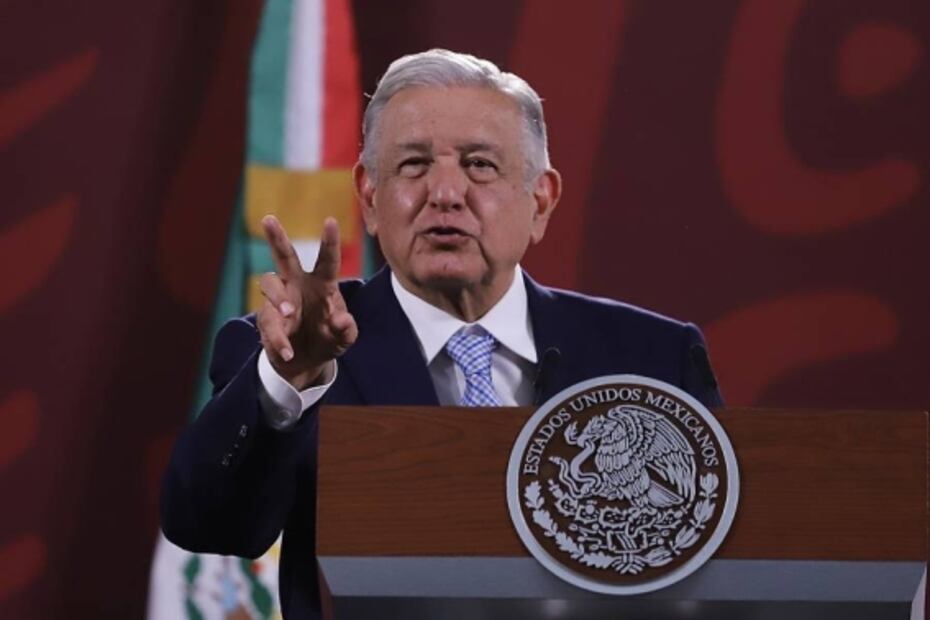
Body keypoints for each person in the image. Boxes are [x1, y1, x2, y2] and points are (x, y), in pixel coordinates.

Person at [161, 48, 722, 619]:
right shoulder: (293, 352)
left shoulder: (653, 359)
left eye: (480, 165)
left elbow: (723, 566)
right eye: (413, 165)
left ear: (540, 200)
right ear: (369, 197)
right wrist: (288, 383)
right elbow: (209, 525)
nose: (446, 193)